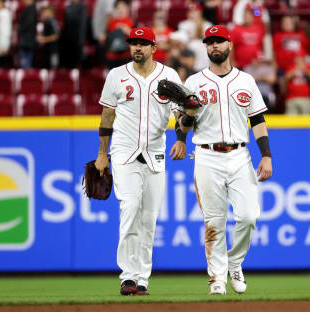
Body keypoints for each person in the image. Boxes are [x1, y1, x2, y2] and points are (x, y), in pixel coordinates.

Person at [179, 25, 272, 295]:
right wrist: (188, 116)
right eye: (210, 42)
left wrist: (266, 154)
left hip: (239, 154)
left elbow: (257, 119)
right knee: (214, 222)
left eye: (219, 41)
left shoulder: (246, 81)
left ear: (229, 45)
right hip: (207, 155)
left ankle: (235, 262)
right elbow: (181, 125)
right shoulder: (194, 82)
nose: (214, 46)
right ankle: (217, 278)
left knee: (249, 216)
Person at [94, 26, 186, 296]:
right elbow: (107, 116)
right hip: (123, 152)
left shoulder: (168, 75)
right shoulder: (116, 75)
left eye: (143, 43)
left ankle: (142, 277)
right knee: (130, 207)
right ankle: (127, 276)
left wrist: (182, 137)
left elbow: (181, 113)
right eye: (134, 43)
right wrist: (102, 154)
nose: (138, 47)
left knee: (149, 219)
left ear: (154, 48)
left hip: (156, 153)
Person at [17, 0, 37, 69]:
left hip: (27, 40)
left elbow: (29, 23)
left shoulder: (31, 9)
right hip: (27, 39)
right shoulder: (30, 8)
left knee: (25, 64)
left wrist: (19, 28)